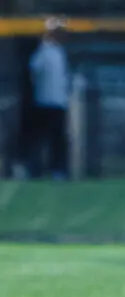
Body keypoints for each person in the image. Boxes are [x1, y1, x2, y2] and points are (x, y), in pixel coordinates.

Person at [27, 16, 71, 180]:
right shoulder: (43, 51)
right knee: (42, 138)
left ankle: (57, 170)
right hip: (45, 102)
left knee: (57, 139)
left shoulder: (59, 51)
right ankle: (35, 169)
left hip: (58, 101)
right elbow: (34, 71)